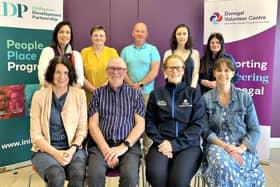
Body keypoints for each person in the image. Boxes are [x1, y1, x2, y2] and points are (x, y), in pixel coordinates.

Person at [202, 58, 264, 187]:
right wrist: (226, 147)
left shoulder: (244, 97)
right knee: (221, 165)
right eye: (219, 70)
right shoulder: (205, 99)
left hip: (241, 146)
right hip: (217, 146)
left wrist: (240, 149)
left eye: (227, 70)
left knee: (248, 170)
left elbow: (255, 129)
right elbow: (205, 130)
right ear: (214, 73)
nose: (223, 74)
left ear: (233, 73)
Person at [145, 54, 205, 187]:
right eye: (171, 68)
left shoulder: (194, 94)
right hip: (161, 143)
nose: (175, 71)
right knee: (155, 175)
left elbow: (198, 125)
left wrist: (174, 145)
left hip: (189, 146)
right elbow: (149, 123)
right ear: (165, 70)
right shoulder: (156, 94)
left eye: (178, 68)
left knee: (177, 181)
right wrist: (163, 143)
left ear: (183, 70)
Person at [30, 56, 88, 187]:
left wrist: (72, 149)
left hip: (73, 149)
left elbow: (82, 128)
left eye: (66, 72)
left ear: (71, 74)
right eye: (58, 72)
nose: (62, 77)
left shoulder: (80, 95)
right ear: (51, 73)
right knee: (56, 175)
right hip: (45, 150)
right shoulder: (38, 96)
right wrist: (56, 153)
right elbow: (35, 134)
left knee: (78, 174)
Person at [87, 57, 145, 187]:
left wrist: (123, 147)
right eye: (112, 68)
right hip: (101, 145)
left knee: (130, 177)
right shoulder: (97, 94)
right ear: (106, 71)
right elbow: (93, 124)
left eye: (120, 69)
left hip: (128, 146)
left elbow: (140, 124)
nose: (115, 72)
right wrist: (106, 150)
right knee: (94, 175)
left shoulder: (135, 94)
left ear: (125, 72)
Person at [120, 22, 160, 105]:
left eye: (142, 31)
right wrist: (131, 84)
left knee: (145, 117)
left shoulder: (153, 50)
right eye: (137, 31)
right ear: (133, 33)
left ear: (146, 34)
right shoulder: (125, 51)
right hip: (128, 91)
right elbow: (122, 70)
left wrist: (140, 85)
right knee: (128, 117)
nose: (140, 33)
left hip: (146, 92)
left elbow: (154, 71)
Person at [38, 21, 84, 88]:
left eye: (67, 32)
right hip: (50, 93)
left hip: (71, 94)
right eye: (61, 32)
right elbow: (42, 78)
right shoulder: (47, 51)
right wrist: (57, 93)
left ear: (71, 36)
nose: (64, 35)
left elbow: (80, 79)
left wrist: (70, 93)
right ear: (56, 35)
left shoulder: (76, 55)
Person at [81, 25, 119, 103]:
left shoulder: (112, 52)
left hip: (108, 94)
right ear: (91, 37)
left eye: (101, 36)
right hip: (88, 95)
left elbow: (117, 72)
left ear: (105, 38)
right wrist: (92, 89)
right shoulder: (84, 52)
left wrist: (102, 89)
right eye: (95, 35)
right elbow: (80, 74)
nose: (98, 38)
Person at [163, 24, 200, 88]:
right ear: (175, 36)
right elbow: (166, 73)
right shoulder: (168, 53)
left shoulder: (195, 53)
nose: (182, 36)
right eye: (179, 34)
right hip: (172, 90)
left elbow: (195, 73)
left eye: (184, 34)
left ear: (188, 36)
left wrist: (191, 89)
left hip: (189, 91)